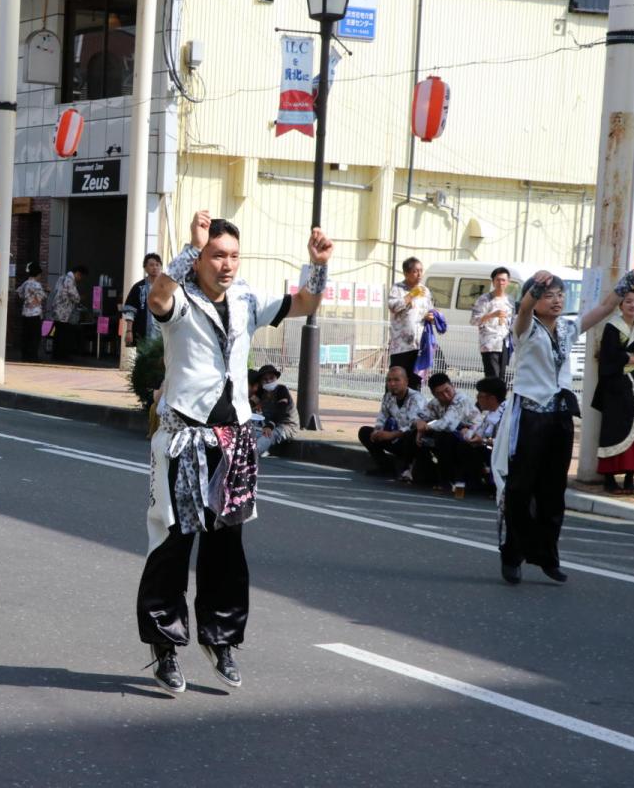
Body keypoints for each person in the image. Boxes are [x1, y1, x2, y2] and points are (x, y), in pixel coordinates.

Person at [138, 209, 332, 694]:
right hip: (186, 438)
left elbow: (305, 303)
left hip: (235, 441)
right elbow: (158, 297)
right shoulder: (180, 298)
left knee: (227, 546)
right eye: (217, 255)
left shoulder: (247, 298)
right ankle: (164, 647)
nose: (227, 264)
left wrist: (317, 264)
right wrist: (188, 247)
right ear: (200, 259)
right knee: (174, 541)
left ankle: (219, 638)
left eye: (233, 256)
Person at [492, 266, 634, 585]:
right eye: (548, 295)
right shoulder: (525, 329)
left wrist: (631, 276)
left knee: (554, 491)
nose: (556, 300)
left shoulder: (568, 328)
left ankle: (547, 557)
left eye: (559, 294)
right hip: (529, 416)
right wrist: (533, 291)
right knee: (520, 487)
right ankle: (512, 554)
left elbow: (605, 307)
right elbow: (525, 308)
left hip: (560, 416)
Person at [593, 287, 634, 495]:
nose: (632, 304)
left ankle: (630, 477)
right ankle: (609, 479)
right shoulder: (612, 326)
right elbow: (609, 355)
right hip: (617, 384)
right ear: (621, 304)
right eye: (628, 301)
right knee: (615, 427)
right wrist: (633, 358)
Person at [411, 372, 479, 492]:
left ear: (453, 386)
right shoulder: (435, 403)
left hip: (472, 438)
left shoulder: (461, 399)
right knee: (411, 435)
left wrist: (425, 427)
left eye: (447, 390)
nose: (446, 396)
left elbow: (447, 424)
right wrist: (419, 423)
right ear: (434, 394)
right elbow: (418, 416)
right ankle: (422, 474)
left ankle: (447, 480)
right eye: (440, 394)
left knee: (443, 436)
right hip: (453, 435)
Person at [358, 366, 427, 478]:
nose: (392, 384)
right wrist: (377, 431)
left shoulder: (416, 398)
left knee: (410, 435)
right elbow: (382, 416)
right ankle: (386, 469)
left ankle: (408, 470)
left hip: (412, 443)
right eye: (389, 380)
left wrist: (391, 435)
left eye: (396, 380)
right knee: (365, 432)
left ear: (406, 381)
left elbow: (412, 425)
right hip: (396, 439)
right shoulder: (388, 397)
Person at [386, 257, 434, 390]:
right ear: (406, 273)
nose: (419, 274)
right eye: (415, 271)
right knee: (396, 380)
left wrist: (431, 316)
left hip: (419, 344)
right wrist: (411, 295)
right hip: (401, 346)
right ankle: (391, 407)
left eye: (421, 271)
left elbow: (430, 309)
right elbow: (393, 307)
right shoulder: (398, 288)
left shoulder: (425, 291)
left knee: (415, 381)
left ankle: (414, 408)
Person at [471, 267, 514, 379]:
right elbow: (474, 320)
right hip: (489, 344)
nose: (501, 283)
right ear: (493, 281)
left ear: (508, 282)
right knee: (492, 377)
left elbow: (512, 321)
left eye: (503, 280)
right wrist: (492, 315)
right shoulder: (484, 299)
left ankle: (500, 397)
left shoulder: (510, 300)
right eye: (498, 280)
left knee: (501, 377)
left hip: (504, 343)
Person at [253, 364, 296, 456]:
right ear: (261, 382)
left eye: (271, 378)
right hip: (267, 426)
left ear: (276, 378)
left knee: (267, 436)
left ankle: (251, 454)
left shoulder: (281, 390)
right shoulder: (262, 393)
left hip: (286, 426)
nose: (268, 381)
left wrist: (270, 425)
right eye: (265, 379)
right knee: (251, 434)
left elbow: (281, 409)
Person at [122, 253, 163, 347]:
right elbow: (130, 311)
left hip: (163, 334)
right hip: (144, 332)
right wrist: (129, 331)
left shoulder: (166, 287)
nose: (155, 267)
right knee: (144, 359)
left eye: (157, 265)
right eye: (151, 265)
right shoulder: (138, 287)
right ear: (145, 268)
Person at [51, 264, 87, 361]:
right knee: (63, 334)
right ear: (78, 274)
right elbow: (74, 296)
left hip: (56, 310)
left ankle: (56, 355)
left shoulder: (62, 278)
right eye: (81, 277)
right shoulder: (70, 280)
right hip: (64, 312)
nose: (80, 279)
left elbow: (55, 291)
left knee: (57, 333)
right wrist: (80, 298)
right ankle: (61, 355)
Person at [16, 261, 47, 362]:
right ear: (38, 273)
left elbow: (19, 293)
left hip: (25, 312)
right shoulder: (37, 285)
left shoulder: (25, 283)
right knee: (35, 336)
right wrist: (47, 291)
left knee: (26, 335)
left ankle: (25, 355)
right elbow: (42, 297)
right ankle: (33, 356)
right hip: (35, 313)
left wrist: (27, 299)